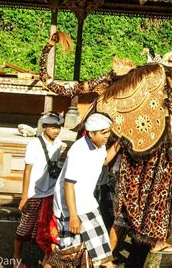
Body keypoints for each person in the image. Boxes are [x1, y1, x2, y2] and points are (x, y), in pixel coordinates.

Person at [48, 113, 120, 267]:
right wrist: (73, 216)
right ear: (91, 133)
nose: (107, 136)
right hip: (70, 208)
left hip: (88, 205)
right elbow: (69, 185)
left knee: (103, 256)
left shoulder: (98, 146)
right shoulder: (78, 151)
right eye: (103, 133)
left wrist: (118, 144)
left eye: (108, 132)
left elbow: (104, 160)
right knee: (66, 255)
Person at [13, 112, 64, 268]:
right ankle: (16, 258)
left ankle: (46, 259)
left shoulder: (58, 143)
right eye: (53, 127)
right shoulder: (34, 144)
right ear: (44, 127)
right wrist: (24, 196)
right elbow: (27, 170)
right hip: (35, 193)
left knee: (50, 228)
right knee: (25, 226)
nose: (56, 130)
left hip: (50, 193)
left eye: (59, 127)